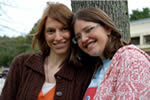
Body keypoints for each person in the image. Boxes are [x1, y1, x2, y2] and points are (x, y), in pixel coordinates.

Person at [0, 3, 99, 100]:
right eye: (51, 31)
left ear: (73, 31)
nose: (58, 37)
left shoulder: (85, 72)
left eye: (64, 29)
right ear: (44, 34)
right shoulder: (22, 64)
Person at [71, 8, 150, 99]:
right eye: (78, 37)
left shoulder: (131, 60)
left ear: (107, 28)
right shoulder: (98, 68)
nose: (83, 39)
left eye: (88, 30)